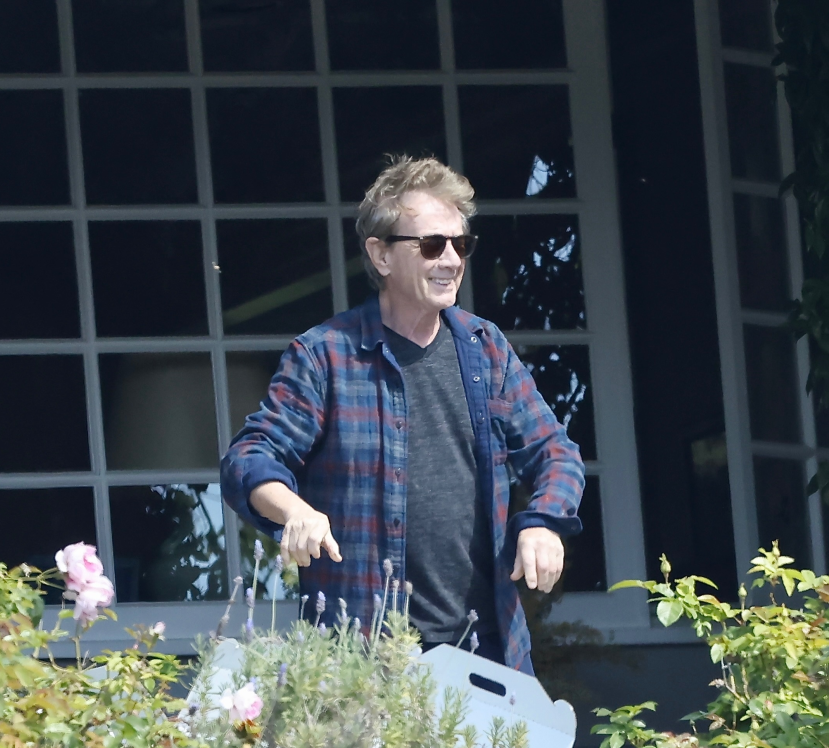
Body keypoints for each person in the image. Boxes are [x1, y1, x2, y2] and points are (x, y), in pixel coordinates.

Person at [221, 157, 584, 673]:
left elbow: (555, 452)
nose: (452, 259)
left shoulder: (487, 350)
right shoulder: (325, 355)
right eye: (432, 245)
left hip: (484, 651)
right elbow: (249, 457)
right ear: (381, 255)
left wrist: (544, 523)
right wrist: (294, 511)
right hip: (364, 663)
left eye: (462, 244)